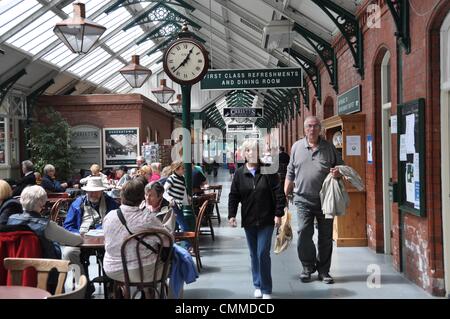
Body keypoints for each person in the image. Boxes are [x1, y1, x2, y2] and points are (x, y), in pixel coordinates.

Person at [284, 116, 343, 284]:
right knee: (303, 233)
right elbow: (290, 173)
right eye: (309, 126)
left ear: (320, 129)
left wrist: (338, 172)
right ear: (305, 129)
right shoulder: (296, 147)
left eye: (316, 126)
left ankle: (324, 271)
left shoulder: (329, 147)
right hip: (302, 199)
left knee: (325, 237)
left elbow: (341, 166)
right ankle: (308, 267)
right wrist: (284, 198)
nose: (312, 129)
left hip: (326, 200)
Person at [228, 140, 286, 299]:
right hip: (249, 220)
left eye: (255, 150)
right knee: (254, 254)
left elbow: (279, 193)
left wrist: (278, 214)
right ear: (244, 153)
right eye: (248, 150)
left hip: (267, 219)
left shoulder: (269, 170)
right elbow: (234, 195)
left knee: (262, 253)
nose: (251, 153)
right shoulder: (240, 173)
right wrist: (232, 215)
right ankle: (257, 284)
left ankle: (266, 288)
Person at [103, 179, 174, 284]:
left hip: (112, 269)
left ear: (121, 196)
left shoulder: (109, 216)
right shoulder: (147, 218)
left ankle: (127, 291)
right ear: (142, 198)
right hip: (142, 270)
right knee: (176, 264)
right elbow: (168, 241)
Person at [62, 177, 119, 282]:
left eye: (96, 191)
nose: (93, 194)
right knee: (68, 253)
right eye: (90, 192)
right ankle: (83, 284)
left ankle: (111, 283)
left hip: (106, 241)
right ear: (86, 191)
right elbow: (67, 226)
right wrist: (79, 234)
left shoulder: (110, 203)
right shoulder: (77, 204)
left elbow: (117, 222)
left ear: (102, 191)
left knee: (118, 250)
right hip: (81, 240)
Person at [7, 185, 82, 259]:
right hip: (43, 268)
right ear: (42, 204)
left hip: (14, 266)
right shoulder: (46, 225)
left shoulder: (11, 219)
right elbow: (76, 240)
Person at [163, 161, 190, 233]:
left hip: (179, 205)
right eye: (182, 168)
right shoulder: (171, 178)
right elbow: (163, 190)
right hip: (174, 205)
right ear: (176, 169)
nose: (184, 170)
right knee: (184, 226)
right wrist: (170, 199)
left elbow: (183, 189)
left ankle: (173, 242)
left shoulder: (182, 178)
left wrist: (187, 197)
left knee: (175, 226)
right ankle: (186, 244)